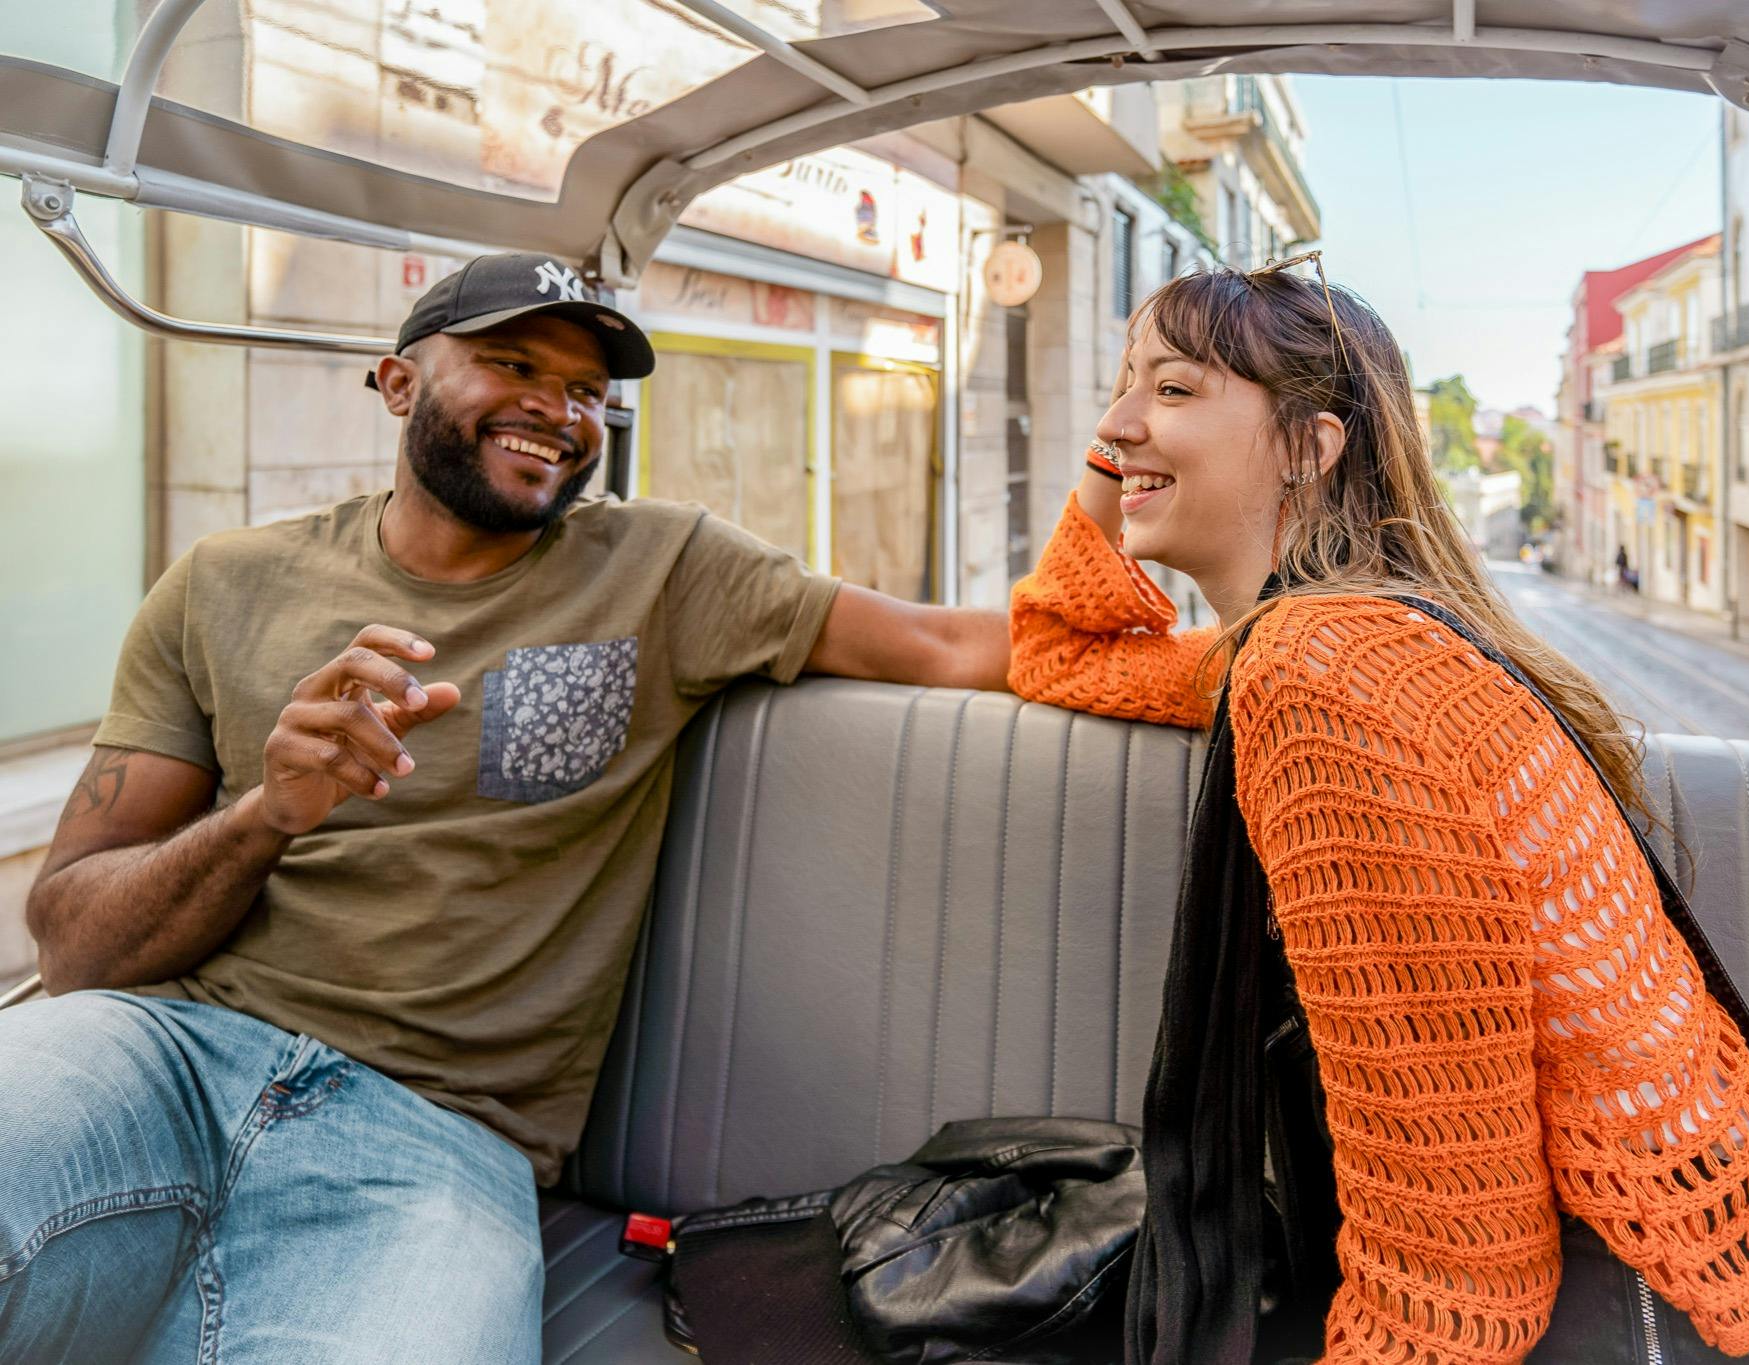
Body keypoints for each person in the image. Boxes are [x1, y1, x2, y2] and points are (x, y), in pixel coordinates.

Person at [0, 253, 1010, 1363]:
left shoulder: (664, 569)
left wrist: (1229, 635)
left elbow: (946, 645)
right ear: (396, 382)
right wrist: (266, 815)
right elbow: (76, 947)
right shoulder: (222, 581)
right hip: (161, 1055)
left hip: (435, 1137)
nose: (556, 407)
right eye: (510, 362)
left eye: (584, 390)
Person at [1008, 260, 1749, 1364]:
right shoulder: (1354, 634)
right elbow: (1056, 648)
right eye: (1120, 386)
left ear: (1308, 447)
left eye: (1174, 391)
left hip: (1653, 1319)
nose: (1119, 421)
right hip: (1732, 1264)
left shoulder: (1320, 675)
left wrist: (1122, 453)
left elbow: (1458, 1284)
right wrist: (1123, 448)